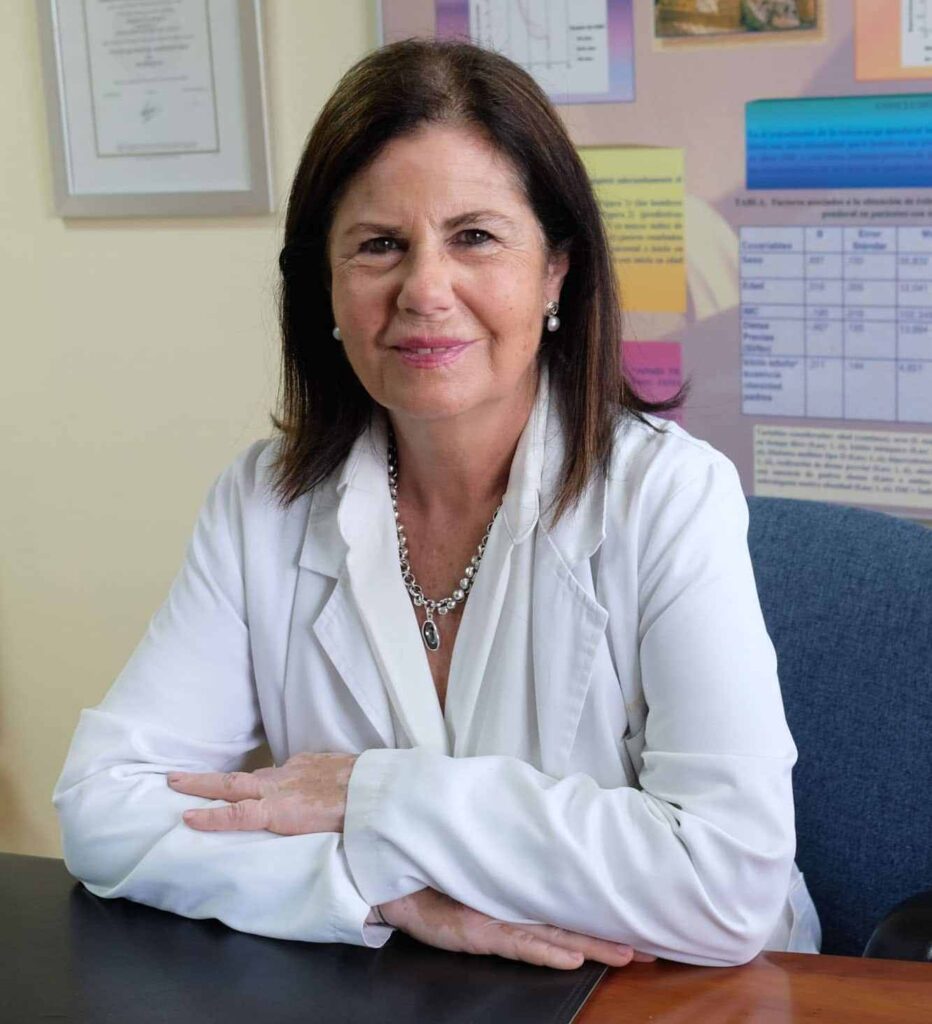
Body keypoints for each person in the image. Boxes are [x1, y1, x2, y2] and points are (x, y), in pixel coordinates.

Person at [53, 38, 821, 971]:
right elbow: (104, 807)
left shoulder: (669, 495)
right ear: (325, 285)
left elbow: (727, 884)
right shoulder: (263, 502)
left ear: (556, 271)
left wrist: (373, 797)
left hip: (670, 996)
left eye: (475, 237)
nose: (425, 290)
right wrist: (377, 890)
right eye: (380, 245)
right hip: (401, 985)